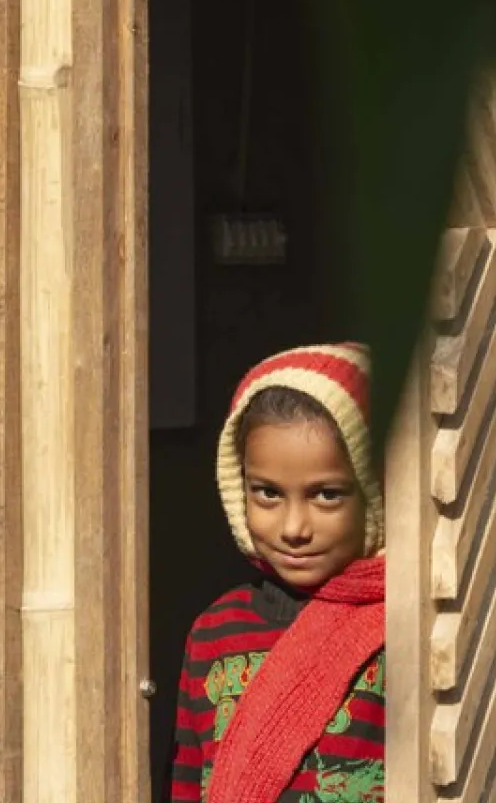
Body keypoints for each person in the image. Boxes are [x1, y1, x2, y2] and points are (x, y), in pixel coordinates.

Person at [168, 343, 387, 803]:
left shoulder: (405, 629)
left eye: (327, 495)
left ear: (377, 491)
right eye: (267, 493)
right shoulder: (214, 634)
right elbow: (188, 785)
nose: (293, 528)